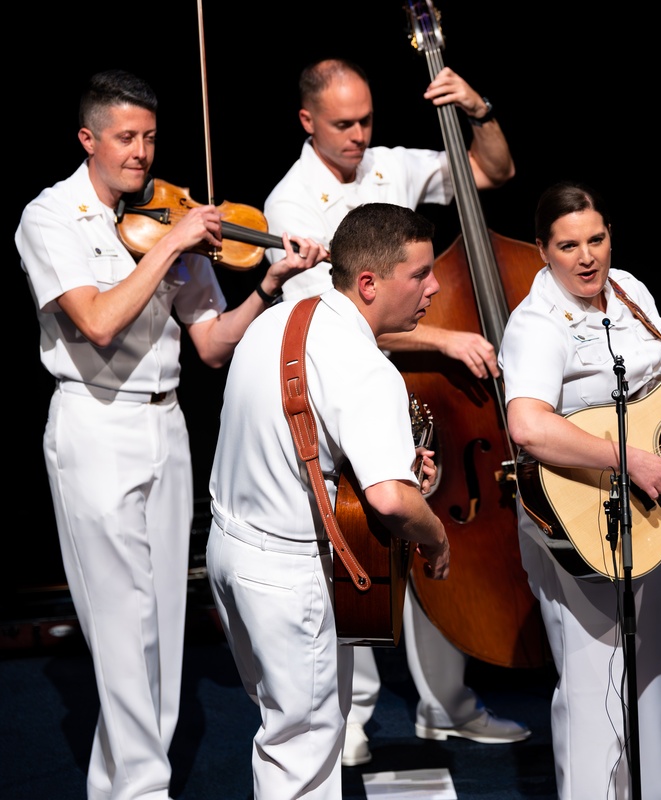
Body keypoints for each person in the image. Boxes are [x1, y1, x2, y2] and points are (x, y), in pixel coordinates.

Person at [15, 69, 325, 800]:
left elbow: (212, 344)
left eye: (150, 138)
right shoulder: (50, 216)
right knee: (120, 627)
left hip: (167, 420)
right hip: (93, 420)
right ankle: (141, 790)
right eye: (126, 138)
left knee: (163, 621)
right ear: (88, 139)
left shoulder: (166, 214)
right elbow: (95, 320)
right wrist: (174, 243)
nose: (142, 154)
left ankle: (128, 786)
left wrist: (268, 286)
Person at [263, 57, 529, 766]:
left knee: (439, 528)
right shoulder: (290, 201)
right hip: (351, 379)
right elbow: (330, 317)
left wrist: (478, 107)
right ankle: (352, 713)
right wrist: (443, 334)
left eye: (366, 120)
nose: (358, 135)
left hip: (423, 388)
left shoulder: (389, 163)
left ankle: (449, 705)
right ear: (307, 122)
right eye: (343, 124)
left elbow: (491, 173)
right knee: (364, 543)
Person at [498, 181, 661, 798]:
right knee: (594, 685)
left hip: (651, 512)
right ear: (544, 251)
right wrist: (624, 458)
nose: (586, 257)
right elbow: (526, 425)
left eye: (596, 239)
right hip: (576, 511)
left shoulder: (632, 293)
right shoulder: (537, 323)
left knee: (655, 674)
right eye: (568, 245)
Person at [207, 203, 451, 797]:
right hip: (290, 577)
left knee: (281, 732)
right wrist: (437, 536)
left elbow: (296, 439)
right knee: (306, 754)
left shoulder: (276, 319)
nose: (435, 286)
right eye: (419, 273)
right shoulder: (368, 368)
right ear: (368, 283)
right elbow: (392, 501)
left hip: (227, 552)